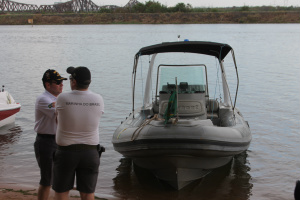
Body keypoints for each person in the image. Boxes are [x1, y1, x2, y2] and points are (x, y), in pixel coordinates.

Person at [53, 66, 104, 200]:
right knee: (88, 193)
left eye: (70, 78)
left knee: (61, 192)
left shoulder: (62, 98)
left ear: (74, 82)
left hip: (66, 153)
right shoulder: (98, 99)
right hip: (91, 152)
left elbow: (57, 120)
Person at [34, 69, 67, 200]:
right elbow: (61, 115)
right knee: (46, 180)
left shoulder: (59, 99)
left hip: (59, 141)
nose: (61, 84)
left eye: (62, 82)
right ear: (48, 85)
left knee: (60, 179)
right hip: (46, 141)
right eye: (58, 82)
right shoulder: (43, 99)